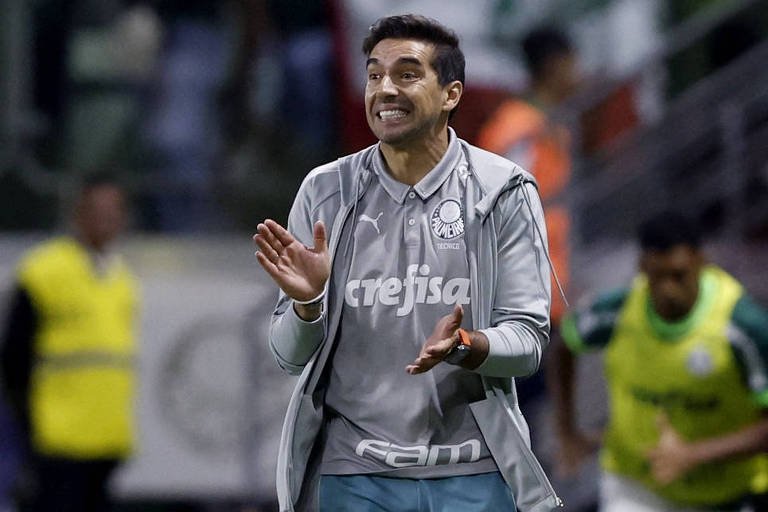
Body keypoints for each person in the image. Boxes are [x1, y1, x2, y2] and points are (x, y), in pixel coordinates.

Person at [253, 14, 561, 512]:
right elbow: (288, 357)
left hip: (473, 472)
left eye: (407, 74)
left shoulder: (502, 189)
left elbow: (527, 344)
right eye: (374, 75)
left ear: (451, 94)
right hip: (354, 475)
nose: (385, 90)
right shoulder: (326, 191)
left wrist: (465, 346)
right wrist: (308, 305)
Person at [549, 210, 768, 512]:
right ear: (642, 267)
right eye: (656, 276)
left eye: (678, 275)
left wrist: (692, 455)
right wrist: (566, 432)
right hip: (637, 488)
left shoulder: (742, 327)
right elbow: (564, 345)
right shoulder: (618, 310)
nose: (667, 289)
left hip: (725, 494)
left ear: (701, 261)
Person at [1, 174, 140, 512]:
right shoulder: (43, 271)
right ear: (78, 214)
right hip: (58, 439)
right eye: (98, 210)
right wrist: (28, 427)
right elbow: (14, 358)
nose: (107, 219)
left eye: (114, 211)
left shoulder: (121, 276)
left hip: (106, 436)